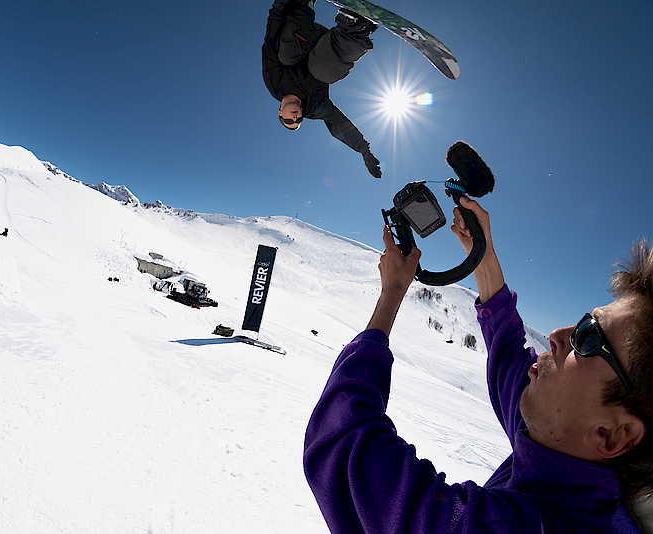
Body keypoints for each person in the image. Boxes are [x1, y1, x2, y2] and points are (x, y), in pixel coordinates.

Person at [304, 196, 653, 532]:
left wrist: (392, 292)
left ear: (613, 434)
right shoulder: (567, 460)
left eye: (588, 338)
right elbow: (511, 359)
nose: (557, 335)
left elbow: (346, 447)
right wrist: (481, 255)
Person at [263, 0, 382, 178]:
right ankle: (354, 28)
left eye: (289, 120)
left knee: (285, 57)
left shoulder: (274, 82)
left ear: (280, 111)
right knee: (323, 73)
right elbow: (339, 125)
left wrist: (279, 7)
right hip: (329, 45)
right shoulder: (313, 107)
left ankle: (304, 4)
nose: (296, 118)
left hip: (303, 33)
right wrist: (364, 151)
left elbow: (270, 41)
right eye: (299, 121)